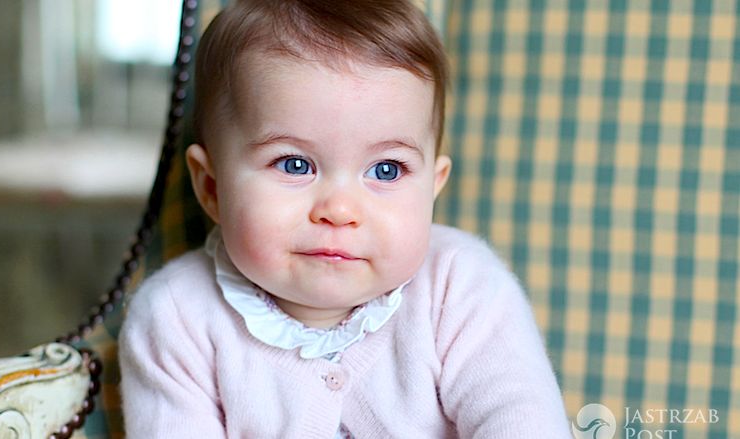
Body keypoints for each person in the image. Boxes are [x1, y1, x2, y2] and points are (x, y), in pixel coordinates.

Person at [118, 0, 570, 437]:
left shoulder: (462, 287)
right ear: (211, 187)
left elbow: (523, 420)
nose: (339, 210)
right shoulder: (175, 318)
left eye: (386, 170)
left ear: (433, 187)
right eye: (295, 164)